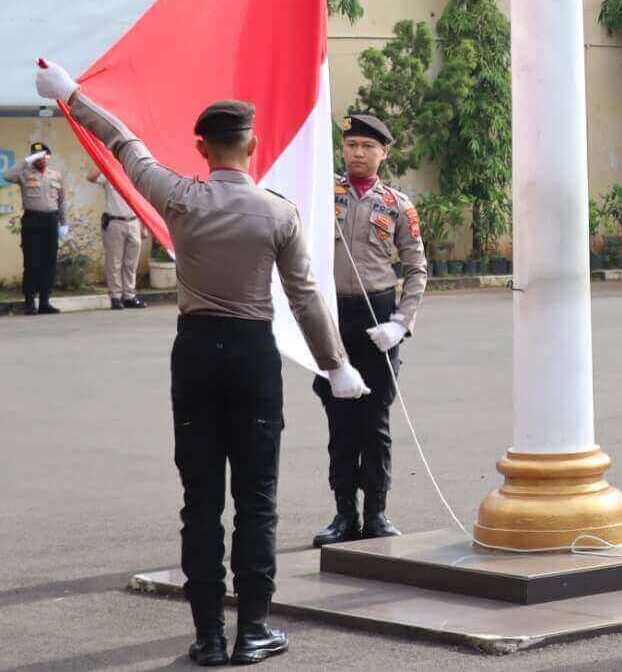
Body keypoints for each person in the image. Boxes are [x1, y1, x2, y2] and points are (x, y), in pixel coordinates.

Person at [34, 59, 368, 666]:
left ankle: (209, 636)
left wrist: (71, 95)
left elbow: (123, 142)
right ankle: (254, 631)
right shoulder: (278, 212)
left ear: (200, 148)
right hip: (252, 356)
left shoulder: (178, 196)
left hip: (194, 354)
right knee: (258, 498)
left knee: (202, 499)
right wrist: (336, 365)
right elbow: (305, 298)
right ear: (253, 146)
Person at [312, 114, 428, 548]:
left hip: (378, 314)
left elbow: (416, 269)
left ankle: (377, 512)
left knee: (376, 420)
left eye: (368, 146)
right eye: (351, 145)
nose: (358, 153)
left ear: (385, 152)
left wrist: (400, 323)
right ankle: (344, 514)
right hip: (333, 315)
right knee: (340, 421)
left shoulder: (398, 205)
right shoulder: (324, 196)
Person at [3, 140, 65, 314]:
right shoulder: (24, 173)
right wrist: (26, 161)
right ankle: (30, 302)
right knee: (32, 262)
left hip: (51, 221)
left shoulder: (56, 175)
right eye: (37, 156)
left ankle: (45, 301)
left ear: (48, 157)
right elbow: (7, 175)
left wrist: (64, 223)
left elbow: (61, 202)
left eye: (44, 155)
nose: (41, 159)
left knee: (49, 263)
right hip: (32, 221)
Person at [88, 164, 146, 309]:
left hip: (133, 221)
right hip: (115, 222)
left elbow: (142, 203)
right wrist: (102, 160)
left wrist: (144, 226)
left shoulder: (135, 177)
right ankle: (115, 296)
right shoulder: (110, 175)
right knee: (114, 262)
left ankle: (129, 296)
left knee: (131, 263)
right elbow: (91, 177)